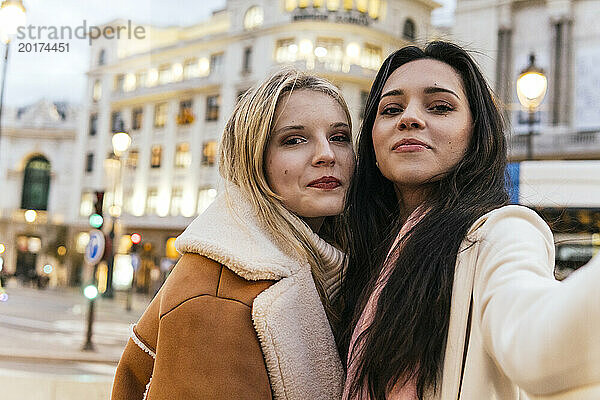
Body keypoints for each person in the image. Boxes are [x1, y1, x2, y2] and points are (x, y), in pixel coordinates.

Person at [339, 41, 600, 400]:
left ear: (476, 132)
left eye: (440, 107)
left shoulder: (500, 234)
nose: (409, 118)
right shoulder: (365, 252)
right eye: (391, 109)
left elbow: (536, 337)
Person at [111, 67, 355, 399]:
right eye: (294, 140)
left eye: (339, 137)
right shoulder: (218, 296)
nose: (327, 154)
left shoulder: (325, 263)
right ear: (253, 160)